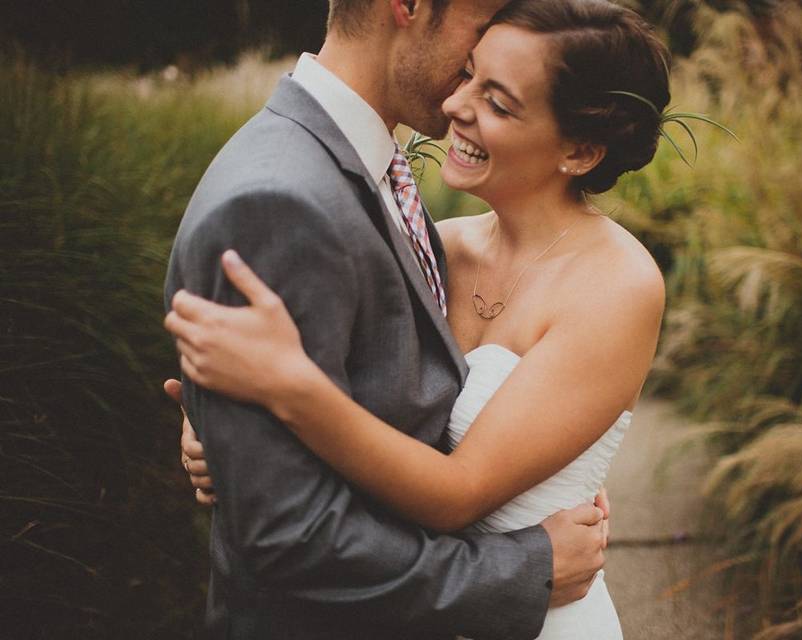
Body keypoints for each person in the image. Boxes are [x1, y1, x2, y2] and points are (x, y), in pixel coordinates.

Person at [168, 0, 673, 637]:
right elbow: (376, 396)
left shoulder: (618, 284)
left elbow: (459, 486)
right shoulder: (444, 243)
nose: (459, 105)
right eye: (469, 73)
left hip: (537, 616)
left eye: (498, 100)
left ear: (577, 150)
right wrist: (229, 427)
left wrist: (292, 390)